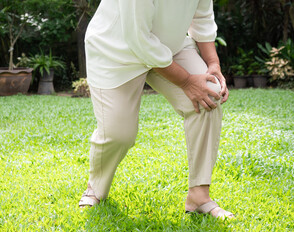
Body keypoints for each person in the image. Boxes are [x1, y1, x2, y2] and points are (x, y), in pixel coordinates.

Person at [79, 0, 234, 219]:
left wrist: (213, 63)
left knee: (209, 95)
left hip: (169, 46)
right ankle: (95, 188)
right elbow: (139, 39)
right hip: (116, 51)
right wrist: (188, 82)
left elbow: (202, 17)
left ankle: (199, 195)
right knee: (119, 134)